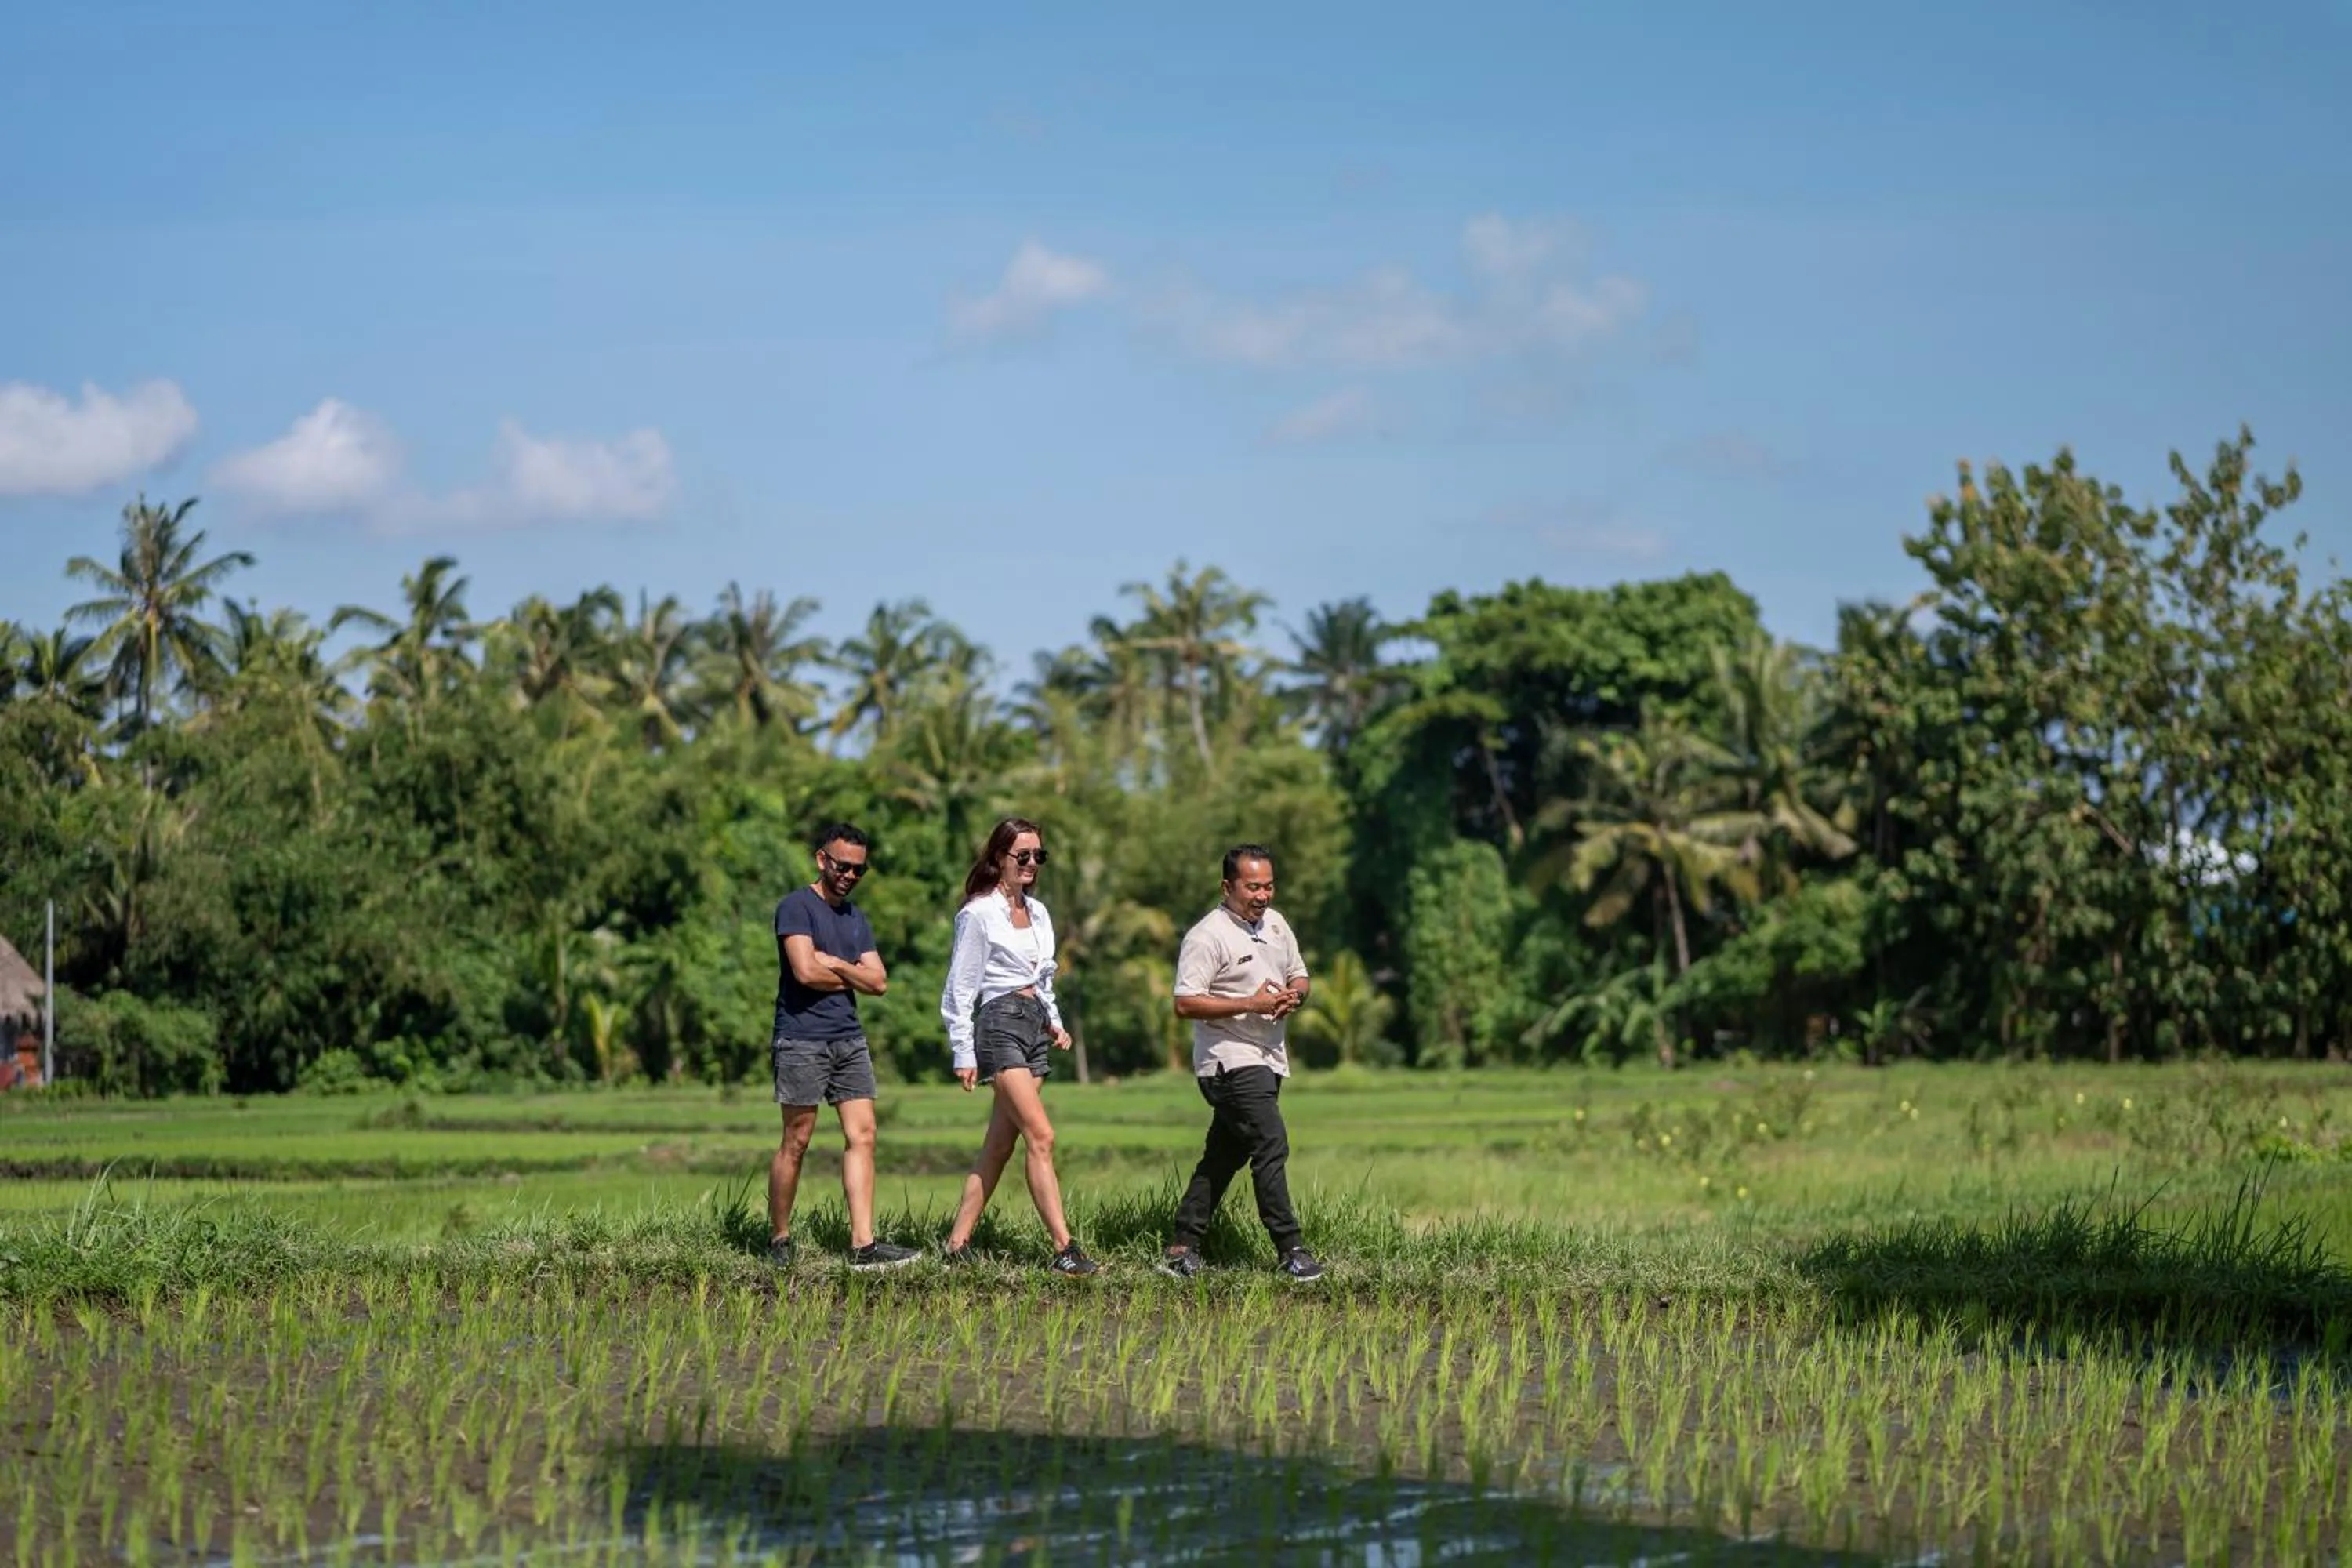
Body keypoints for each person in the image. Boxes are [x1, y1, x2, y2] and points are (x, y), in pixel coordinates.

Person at [938, 818, 1101, 1276]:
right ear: (998, 858)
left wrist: (1055, 1021)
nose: (1031, 864)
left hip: (1033, 1025)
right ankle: (1064, 1247)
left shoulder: (1040, 913)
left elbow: (1041, 977)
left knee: (999, 1145)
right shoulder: (978, 913)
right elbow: (960, 987)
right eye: (1022, 856)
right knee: (1042, 1136)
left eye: (1038, 856)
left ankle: (957, 1244)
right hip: (999, 1023)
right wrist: (962, 1050)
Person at [1158, 844, 1324, 1283]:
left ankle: (1181, 1246)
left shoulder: (1276, 924)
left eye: (1268, 885)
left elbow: (1300, 976)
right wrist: (1250, 1003)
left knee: (1223, 1156)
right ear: (1227, 886)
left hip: (1269, 1056)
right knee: (1271, 1143)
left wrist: (1295, 997)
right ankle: (1291, 1249)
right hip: (1226, 1061)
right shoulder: (1206, 935)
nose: (1262, 895)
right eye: (1253, 887)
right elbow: (1184, 1003)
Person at [768, 822, 920, 1272]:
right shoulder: (795, 907)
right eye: (842, 866)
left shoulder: (856, 918)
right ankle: (779, 1237)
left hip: (848, 1038)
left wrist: (833, 960)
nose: (850, 875)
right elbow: (805, 973)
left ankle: (863, 1244)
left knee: (864, 1135)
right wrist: (849, 970)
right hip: (801, 1037)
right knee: (797, 1139)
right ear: (822, 860)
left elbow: (880, 981)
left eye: (859, 869)